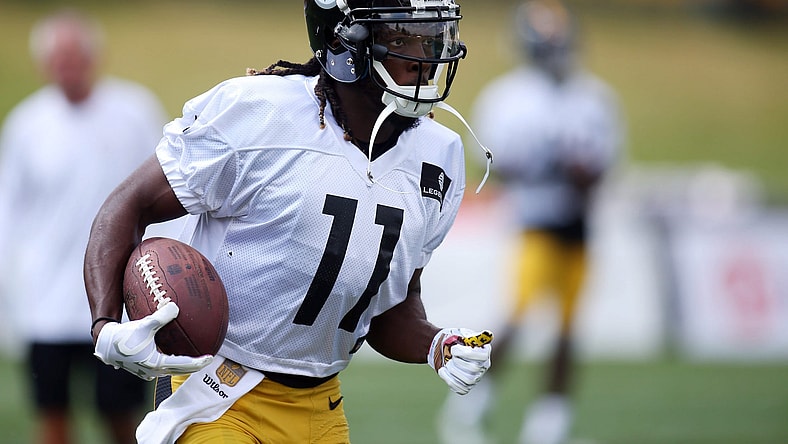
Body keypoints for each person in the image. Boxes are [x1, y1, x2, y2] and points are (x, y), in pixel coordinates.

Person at [83, 1, 494, 443]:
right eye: (402, 40)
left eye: (433, 36)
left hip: (322, 406)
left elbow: (391, 309)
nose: (427, 56)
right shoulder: (260, 113)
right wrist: (106, 325)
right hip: (217, 390)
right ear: (345, 44)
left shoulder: (440, 157)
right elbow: (129, 204)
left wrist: (436, 344)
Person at [437, 1, 625, 444]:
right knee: (517, 319)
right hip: (533, 220)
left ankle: (549, 423)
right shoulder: (509, 97)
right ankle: (469, 404)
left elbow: (607, 165)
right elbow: (490, 161)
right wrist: (542, 165)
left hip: (578, 224)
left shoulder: (594, 97)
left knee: (567, 329)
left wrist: (582, 172)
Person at [0, 9, 175, 444]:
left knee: (122, 415)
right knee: (53, 416)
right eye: (58, 58)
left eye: (74, 56)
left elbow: (169, 191)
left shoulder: (135, 111)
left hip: (116, 298)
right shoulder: (26, 125)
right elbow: (10, 214)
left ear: (93, 58)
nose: (67, 66)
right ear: (45, 64)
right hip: (47, 303)